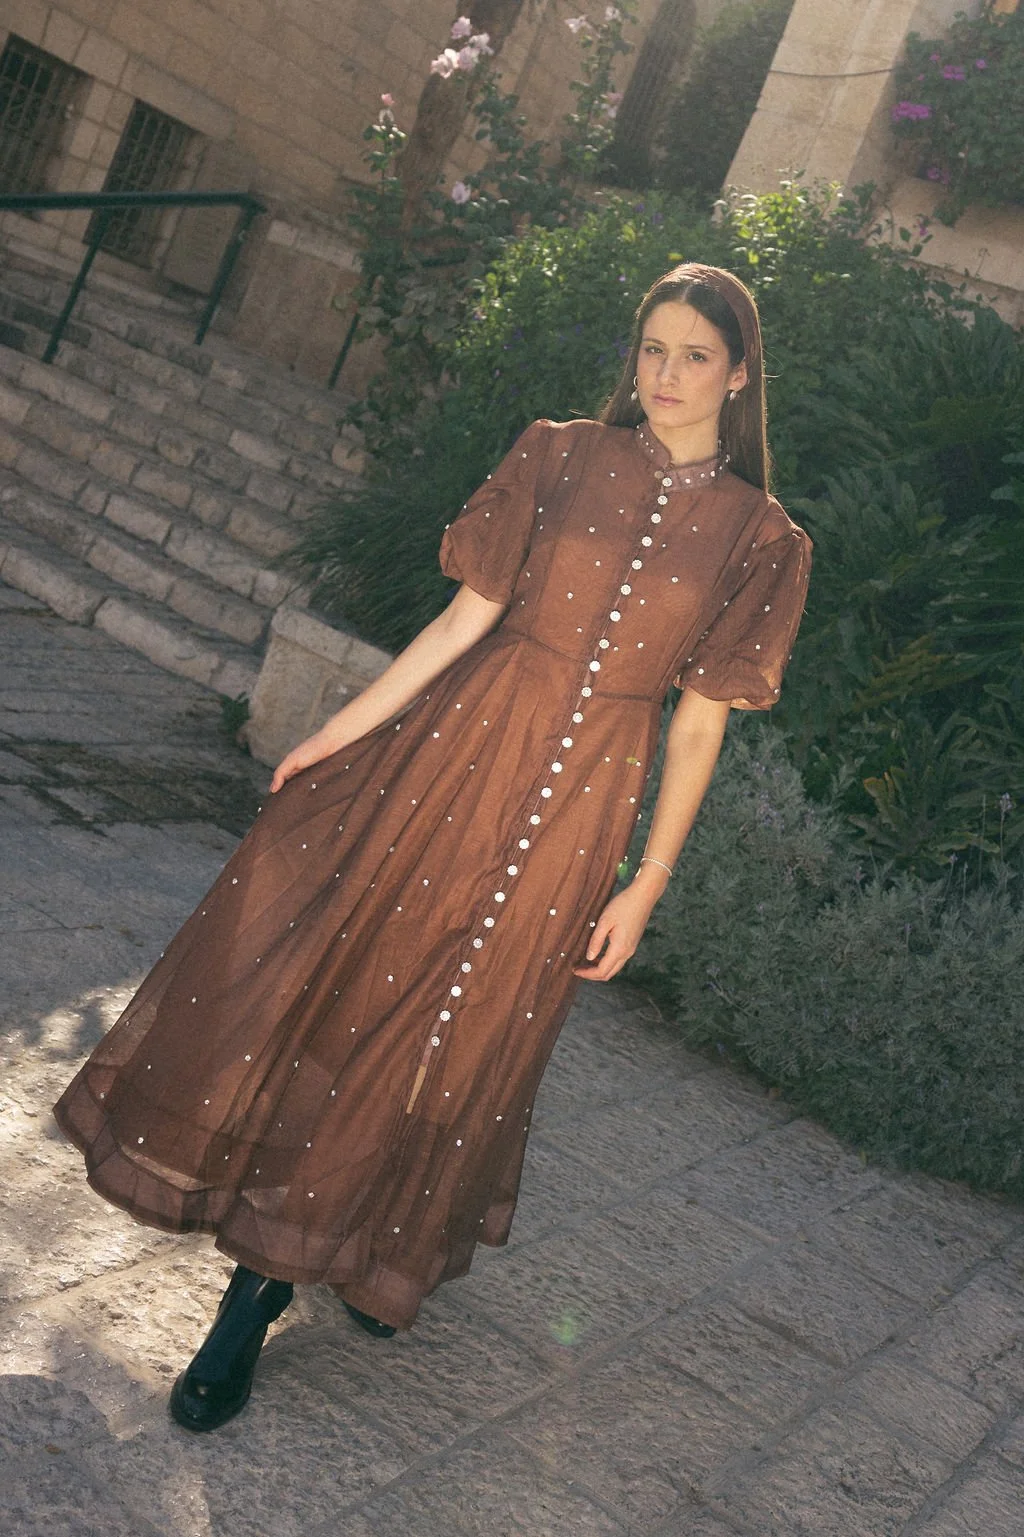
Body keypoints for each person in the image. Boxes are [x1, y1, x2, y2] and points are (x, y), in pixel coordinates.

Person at [53, 262, 811, 1432]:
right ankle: (255, 1294)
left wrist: (646, 881)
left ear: (740, 371)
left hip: (583, 812)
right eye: (650, 347)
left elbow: (699, 723)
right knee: (365, 1000)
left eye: (693, 355)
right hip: (455, 765)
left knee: (465, 1036)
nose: (663, 375)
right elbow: (463, 620)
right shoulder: (557, 454)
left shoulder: (762, 539)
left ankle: (373, 1244)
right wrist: (335, 734)